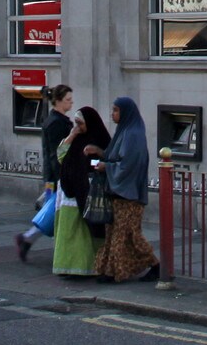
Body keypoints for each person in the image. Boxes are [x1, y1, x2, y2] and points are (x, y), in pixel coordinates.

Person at [90, 95, 158, 283]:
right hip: (118, 192)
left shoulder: (133, 134)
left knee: (126, 234)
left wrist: (106, 167)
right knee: (116, 232)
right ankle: (111, 270)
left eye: (116, 110)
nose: (112, 114)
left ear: (125, 112)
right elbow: (115, 157)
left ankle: (117, 272)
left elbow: (128, 165)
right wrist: (99, 153)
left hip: (129, 194)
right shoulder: (124, 131)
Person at [16, 85, 74, 261]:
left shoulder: (56, 120)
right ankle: (29, 239)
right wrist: (61, 176)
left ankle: (28, 238)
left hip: (53, 175)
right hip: (56, 176)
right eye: (68, 100)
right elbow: (57, 153)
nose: (71, 103)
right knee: (54, 211)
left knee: (54, 211)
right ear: (58, 101)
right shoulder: (56, 123)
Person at [52, 106, 108, 278]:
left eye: (80, 123)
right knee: (69, 230)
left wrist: (91, 161)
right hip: (70, 190)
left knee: (86, 232)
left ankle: (87, 267)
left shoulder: (99, 138)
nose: (78, 127)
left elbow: (106, 160)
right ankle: (68, 266)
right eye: (76, 123)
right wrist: (72, 135)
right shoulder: (75, 139)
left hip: (87, 190)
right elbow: (60, 156)